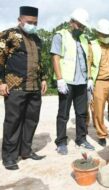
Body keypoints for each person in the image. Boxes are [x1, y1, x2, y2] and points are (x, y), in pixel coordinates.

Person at [0, 6, 47, 170]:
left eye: (35, 22)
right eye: (29, 22)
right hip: (15, 87)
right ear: (20, 20)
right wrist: (1, 81)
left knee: (31, 120)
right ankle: (9, 157)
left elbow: (41, 61)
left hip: (34, 87)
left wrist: (44, 79)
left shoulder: (37, 39)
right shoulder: (8, 35)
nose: (32, 25)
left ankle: (26, 151)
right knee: (13, 122)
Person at [51, 8, 95, 155]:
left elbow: (87, 59)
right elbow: (55, 58)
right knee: (63, 113)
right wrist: (60, 79)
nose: (81, 29)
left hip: (81, 82)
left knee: (82, 113)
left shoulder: (83, 39)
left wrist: (89, 78)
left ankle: (81, 139)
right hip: (67, 82)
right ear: (71, 22)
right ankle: (61, 142)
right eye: (79, 25)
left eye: (83, 26)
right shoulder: (60, 36)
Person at [89, 19, 109, 146]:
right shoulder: (92, 45)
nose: (107, 37)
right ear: (98, 33)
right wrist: (90, 79)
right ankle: (101, 134)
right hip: (100, 82)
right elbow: (89, 62)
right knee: (99, 110)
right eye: (105, 35)